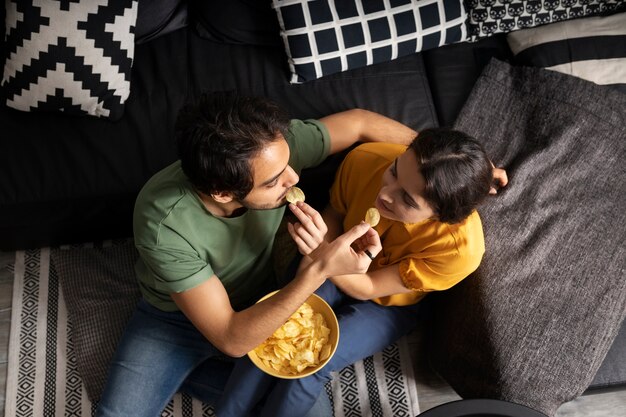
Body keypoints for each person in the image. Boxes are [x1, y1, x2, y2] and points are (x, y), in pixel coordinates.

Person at [95, 90, 422, 417]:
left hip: (265, 298)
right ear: (222, 193)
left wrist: (434, 166)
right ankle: (180, 365)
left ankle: (186, 374)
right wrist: (319, 269)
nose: (294, 178)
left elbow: (359, 122)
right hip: (176, 318)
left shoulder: (268, 149)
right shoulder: (162, 223)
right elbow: (231, 337)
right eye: (274, 182)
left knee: (303, 408)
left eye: (288, 164)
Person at [215, 128, 508, 417]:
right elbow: (335, 214)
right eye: (393, 172)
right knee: (273, 330)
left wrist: (320, 257)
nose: (384, 195)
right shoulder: (367, 159)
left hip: (388, 304)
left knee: (313, 364)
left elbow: (368, 286)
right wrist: (317, 261)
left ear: (442, 218)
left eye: (407, 199)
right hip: (333, 259)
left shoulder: (459, 251)